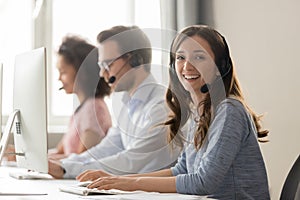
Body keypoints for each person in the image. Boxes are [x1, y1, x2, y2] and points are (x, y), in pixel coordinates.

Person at [77, 25, 271, 199]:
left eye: (199, 57)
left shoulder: (229, 111)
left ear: (219, 68)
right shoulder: (199, 113)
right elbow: (182, 169)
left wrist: (128, 184)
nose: (187, 66)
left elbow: (204, 181)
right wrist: (117, 179)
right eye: (180, 57)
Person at [48, 26, 181, 179]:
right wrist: (62, 164)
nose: (102, 73)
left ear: (136, 60)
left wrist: (67, 169)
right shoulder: (127, 105)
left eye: (108, 64)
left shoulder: (161, 107)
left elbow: (131, 161)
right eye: (101, 66)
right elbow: (105, 149)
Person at [48, 35, 112, 160]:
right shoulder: (82, 109)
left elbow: (82, 159)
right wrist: (22, 158)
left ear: (81, 73)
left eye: (63, 72)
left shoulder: (94, 109)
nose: (59, 78)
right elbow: (60, 152)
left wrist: (42, 161)